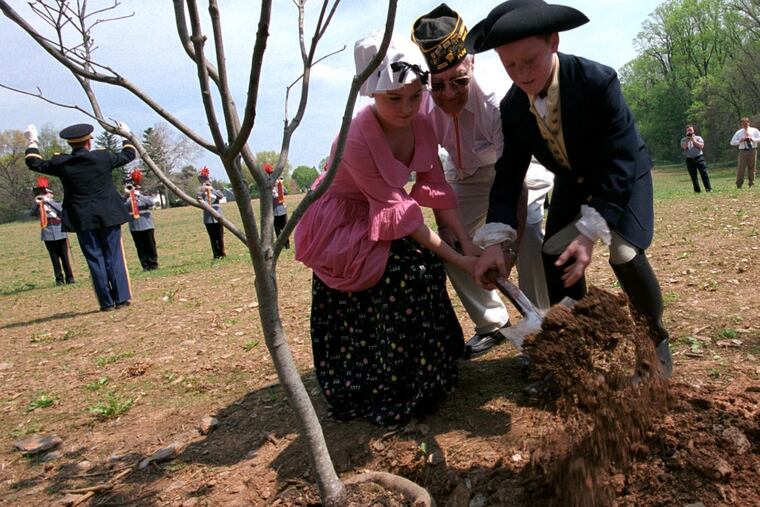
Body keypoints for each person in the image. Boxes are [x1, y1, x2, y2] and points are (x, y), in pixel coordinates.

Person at [465, 0, 672, 383]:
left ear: (553, 42)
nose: (522, 74)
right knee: (553, 252)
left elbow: (621, 157)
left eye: (530, 61)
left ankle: (654, 343)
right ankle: (576, 335)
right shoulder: (511, 108)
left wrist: (592, 231)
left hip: (622, 175)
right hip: (572, 185)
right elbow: (508, 176)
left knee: (624, 253)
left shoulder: (597, 80)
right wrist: (495, 240)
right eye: (510, 65)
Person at [294, 32, 479, 425]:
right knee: (403, 275)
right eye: (394, 98)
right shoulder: (355, 135)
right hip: (343, 220)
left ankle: (434, 369)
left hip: (386, 212)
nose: (407, 107)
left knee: (427, 269)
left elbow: (437, 188)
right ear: (371, 93)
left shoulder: (423, 116)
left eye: (414, 95)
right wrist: (462, 262)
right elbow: (402, 214)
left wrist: (467, 246)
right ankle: (387, 382)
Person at [412, 4, 553, 357]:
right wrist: (456, 234)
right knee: (450, 245)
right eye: (438, 85)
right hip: (461, 176)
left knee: (532, 233)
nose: (448, 95)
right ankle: (493, 322)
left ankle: (542, 324)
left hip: (510, 172)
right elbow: (434, 179)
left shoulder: (495, 102)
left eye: (458, 81)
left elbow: (512, 181)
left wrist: (507, 249)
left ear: (471, 64)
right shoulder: (422, 109)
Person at [25, 122, 135, 312]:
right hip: (108, 213)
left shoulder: (62, 162)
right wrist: (126, 135)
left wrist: (32, 141)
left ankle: (106, 302)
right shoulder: (103, 157)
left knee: (95, 258)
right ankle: (121, 298)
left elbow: (34, 162)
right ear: (88, 143)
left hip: (81, 217)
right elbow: (128, 155)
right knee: (113, 255)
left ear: (70, 144)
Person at [29, 176, 75, 286]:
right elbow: (32, 213)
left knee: (65, 257)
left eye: (46, 193)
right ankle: (59, 279)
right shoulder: (40, 206)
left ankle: (70, 277)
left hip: (60, 232)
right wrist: (38, 203)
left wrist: (48, 202)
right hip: (48, 233)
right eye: (43, 193)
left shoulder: (57, 203)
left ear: (51, 194)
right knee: (54, 258)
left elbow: (61, 210)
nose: (44, 195)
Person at [123, 168, 159, 271]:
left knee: (150, 245)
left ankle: (153, 264)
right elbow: (123, 205)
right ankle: (145, 265)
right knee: (140, 246)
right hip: (134, 225)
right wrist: (127, 195)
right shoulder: (127, 196)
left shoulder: (145, 192)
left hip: (146, 223)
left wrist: (138, 195)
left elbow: (150, 202)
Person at [196, 166, 226, 259]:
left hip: (217, 215)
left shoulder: (215, 189)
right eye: (203, 180)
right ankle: (216, 254)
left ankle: (222, 253)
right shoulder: (201, 190)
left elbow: (220, 195)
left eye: (206, 179)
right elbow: (198, 198)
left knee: (220, 236)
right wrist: (203, 189)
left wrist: (211, 189)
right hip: (208, 217)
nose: (205, 181)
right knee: (212, 237)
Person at [264, 162, 289, 249]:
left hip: (279, 208)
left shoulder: (275, 182)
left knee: (281, 228)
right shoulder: (271, 181)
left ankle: (286, 244)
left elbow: (282, 193)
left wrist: (280, 185)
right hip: (276, 209)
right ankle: (282, 245)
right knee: (280, 228)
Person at [729, 117, 760, 189]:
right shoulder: (739, 132)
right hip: (743, 151)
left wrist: (753, 139)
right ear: (741, 124)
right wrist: (740, 141)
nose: (745, 125)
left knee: (752, 168)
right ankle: (739, 185)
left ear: (749, 123)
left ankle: (751, 184)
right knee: (741, 168)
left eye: (746, 123)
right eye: (743, 124)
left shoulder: (754, 130)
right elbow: (732, 142)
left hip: (752, 150)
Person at [680, 125, 712, 193]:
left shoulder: (698, 138)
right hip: (689, 159)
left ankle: (708, 188)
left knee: (704, 173)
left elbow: (701, 146)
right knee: (693, 175)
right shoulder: (683, 139)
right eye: (688, 130)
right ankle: (697, 190)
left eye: (690, 130)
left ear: (693, 130)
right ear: (686, 131)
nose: (689, 131)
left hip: (699, 157)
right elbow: (684, 147)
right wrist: (687, 140)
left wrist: (693, 140)